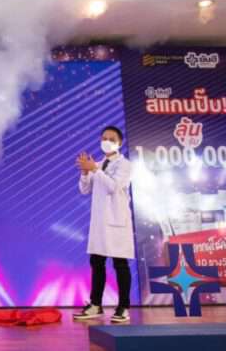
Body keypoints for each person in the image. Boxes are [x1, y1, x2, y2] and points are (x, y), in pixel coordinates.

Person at [73, 126, 134, 323]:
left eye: (111, 139)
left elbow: (113, 187)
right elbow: (84, 189)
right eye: (104, 138)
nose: (107, 142)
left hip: (117, 222)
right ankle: (95, 305)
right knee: (97, 262)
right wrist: (85, 172)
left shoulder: (125, 165)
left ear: (120, 142)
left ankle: (123, 307)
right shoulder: (98, 164)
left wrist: (94, 169)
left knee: (120, 264)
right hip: (100, 224)